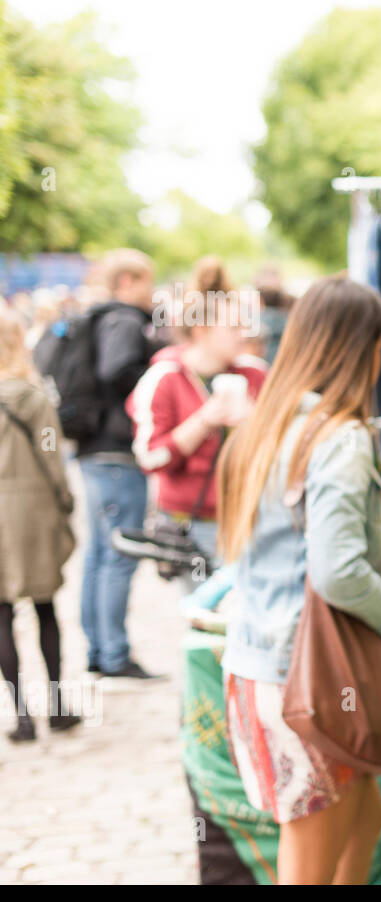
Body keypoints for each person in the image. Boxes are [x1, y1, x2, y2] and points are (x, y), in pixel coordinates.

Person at [216, 276, 381, 884]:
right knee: (310, 865)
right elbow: (338, 574)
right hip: (307, 683)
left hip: (264, 672)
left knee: (362, 821)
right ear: (362, 348)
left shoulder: (261, 429)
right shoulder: (338, 437)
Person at [128, 257, 266, 568]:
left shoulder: (257, 374)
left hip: (249, 519)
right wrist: (205, 420)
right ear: (202, 329)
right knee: (202, 612)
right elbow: (150, 457)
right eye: (233, 326)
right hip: (191, 524)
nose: (243, 334)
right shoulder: (164, 377)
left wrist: (255, 421)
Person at [76, 249, 160, 679]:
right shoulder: (125, 320)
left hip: (94, 450)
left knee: (98, 553)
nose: (152, 290)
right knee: (119, 554)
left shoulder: (96, 317)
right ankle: (113, 655)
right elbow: (118, 370)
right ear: (127, 280)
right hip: (115, 452)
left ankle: (99, 649)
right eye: (147, 281)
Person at [0, 311, 80, 742]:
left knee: (1, 616)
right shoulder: (32, 397)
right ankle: (57, 704)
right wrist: (65, 501)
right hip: (32, 510)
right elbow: (52, 452)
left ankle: (21, 717)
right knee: (45, 606)